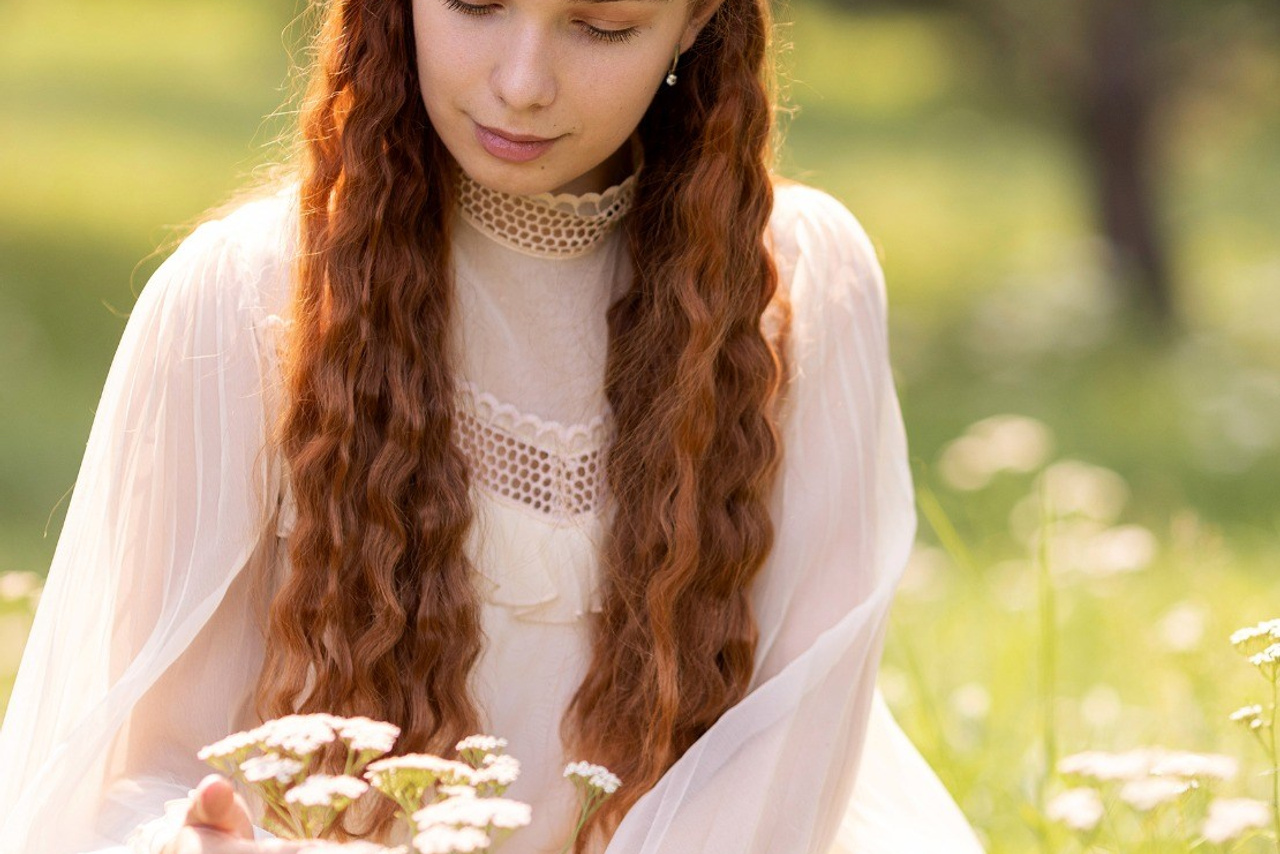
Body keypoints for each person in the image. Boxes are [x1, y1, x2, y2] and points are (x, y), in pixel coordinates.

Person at [0, 0, 987, 852]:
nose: (521, 82)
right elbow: (148, 770)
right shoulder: (244, 299)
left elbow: (784, 770)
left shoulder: (798, 290)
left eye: (599, 26)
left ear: (696, 20)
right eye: (475, 4)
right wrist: (201, 832)